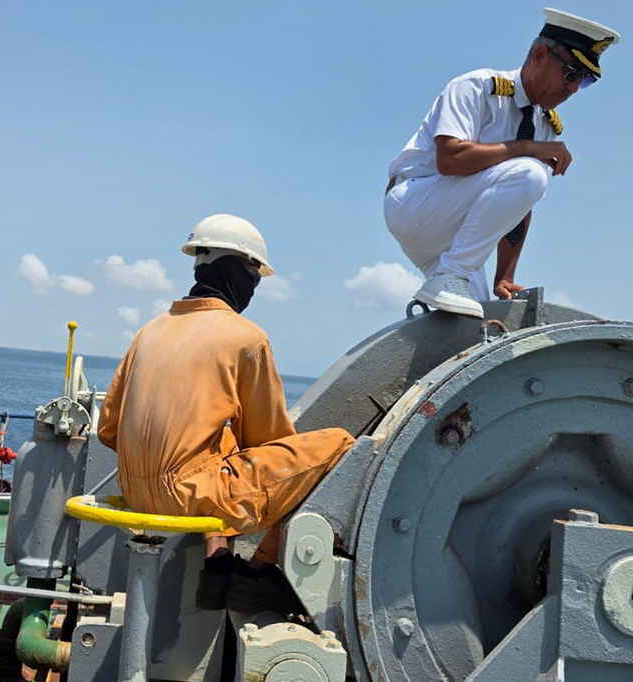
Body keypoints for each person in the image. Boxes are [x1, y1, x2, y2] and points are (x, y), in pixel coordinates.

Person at [97, 214, 356, 614]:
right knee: (339, 444)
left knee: (220, 443)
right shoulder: (245, 338)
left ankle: (216, 563)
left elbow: (108, 428)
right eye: (253, 275)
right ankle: (258, 574)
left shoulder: (149, 331)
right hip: (187, 498)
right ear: (238, 270)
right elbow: (270, 442)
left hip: (135, 491)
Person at [384, 8, 620, 318]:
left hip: (451, 235)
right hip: (414, 204)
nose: (574, 88)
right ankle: (451, 274)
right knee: (532, 173)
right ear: (538, 56)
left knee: (479, 319)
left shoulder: (544, 124)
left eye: (585, 80)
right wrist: (528, 148)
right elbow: (449, 159)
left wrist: (504, 276)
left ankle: (450, 281)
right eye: (571, 73)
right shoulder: (477, 87)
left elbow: (518, 201)